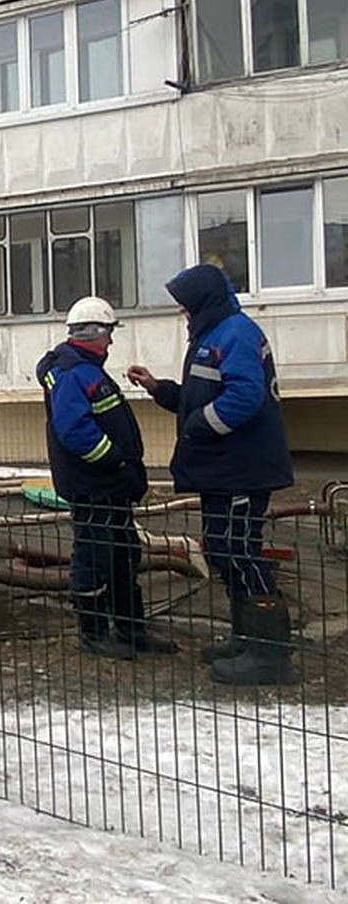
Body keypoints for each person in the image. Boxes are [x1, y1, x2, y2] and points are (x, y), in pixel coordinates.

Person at [127, 263, 295, 686]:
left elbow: (244, 397)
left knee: (238, 550)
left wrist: (198, 424)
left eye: (184, 305)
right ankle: (245, 637)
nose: (182, 313)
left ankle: (270, 654)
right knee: (222, 548)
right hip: (224, 469)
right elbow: (205, 396)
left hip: (242, 468)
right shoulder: (213, 333)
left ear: (202, 301)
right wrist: (160, 389)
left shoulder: (234, 333)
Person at [36, 296, 176, 659]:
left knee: (122, 556)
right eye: (108, 334)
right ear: (93, 334)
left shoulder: (86, 368)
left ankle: (131, 629)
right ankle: (94, 632)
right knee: (94, 558)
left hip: (107, 487)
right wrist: (115, 462)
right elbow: (75, 431)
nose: (111, 342)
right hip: (94, 486)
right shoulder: (73, 372)